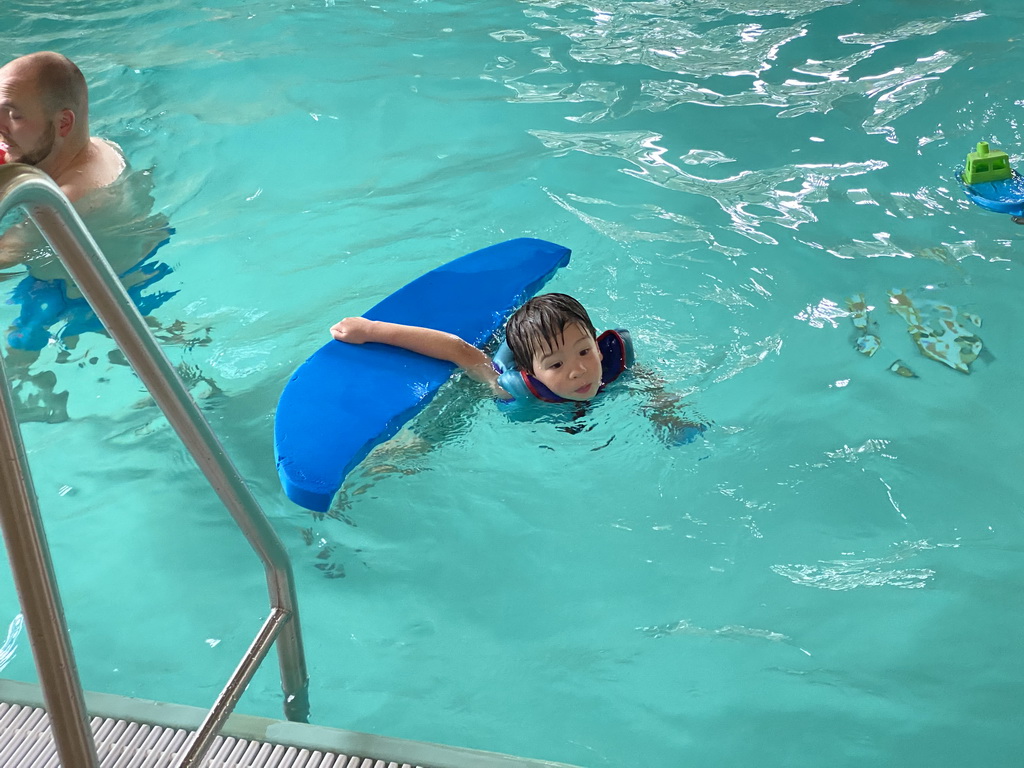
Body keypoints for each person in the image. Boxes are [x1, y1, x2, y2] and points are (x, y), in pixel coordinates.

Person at [331, 293, 706, 441]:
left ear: (595, 341)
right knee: (440, 427)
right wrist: (371, 330)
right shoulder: (510, 385)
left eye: (584, 351)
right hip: (498, 369)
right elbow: (458, 351)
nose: (578, 371)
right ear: (531, 372)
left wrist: (665, 413)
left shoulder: (611, 359)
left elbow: (645, 380)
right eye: (556, 364)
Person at [0, 51, 125, 208]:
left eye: (13, 115)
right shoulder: (103, 147)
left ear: (63, 123)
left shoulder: (63, 203)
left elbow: (15, 234)